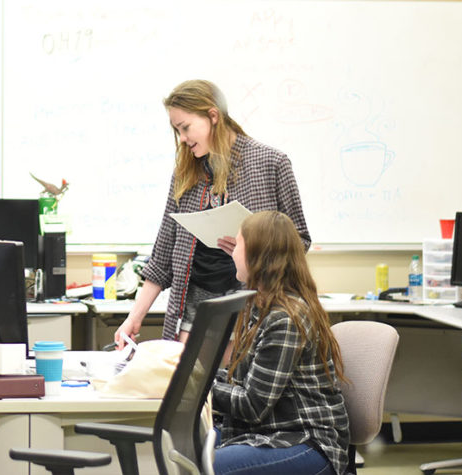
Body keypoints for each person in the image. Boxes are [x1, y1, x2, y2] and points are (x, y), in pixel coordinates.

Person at [115, 79, 310, 345]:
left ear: (213, 116)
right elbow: (162, 256)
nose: (182, 139)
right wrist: (134, 318)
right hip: (195, 308)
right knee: (189, 385)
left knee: (236, 385)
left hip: (254, 307)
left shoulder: (271, 163)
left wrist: (255, 251)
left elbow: (299, 240)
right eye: (177, 130)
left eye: (185, 128)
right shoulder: (185, 172)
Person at [212, 210, 349, 475]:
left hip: (308, 443)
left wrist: (199, 387)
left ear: (258, 255)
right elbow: (244, 382)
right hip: (274, 430)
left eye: (238, 243)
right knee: (186, 449)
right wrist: (194, 377)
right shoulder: (262, 306)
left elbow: (252, 405)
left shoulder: (284, 318)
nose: (232, 252)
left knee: (206, 466)